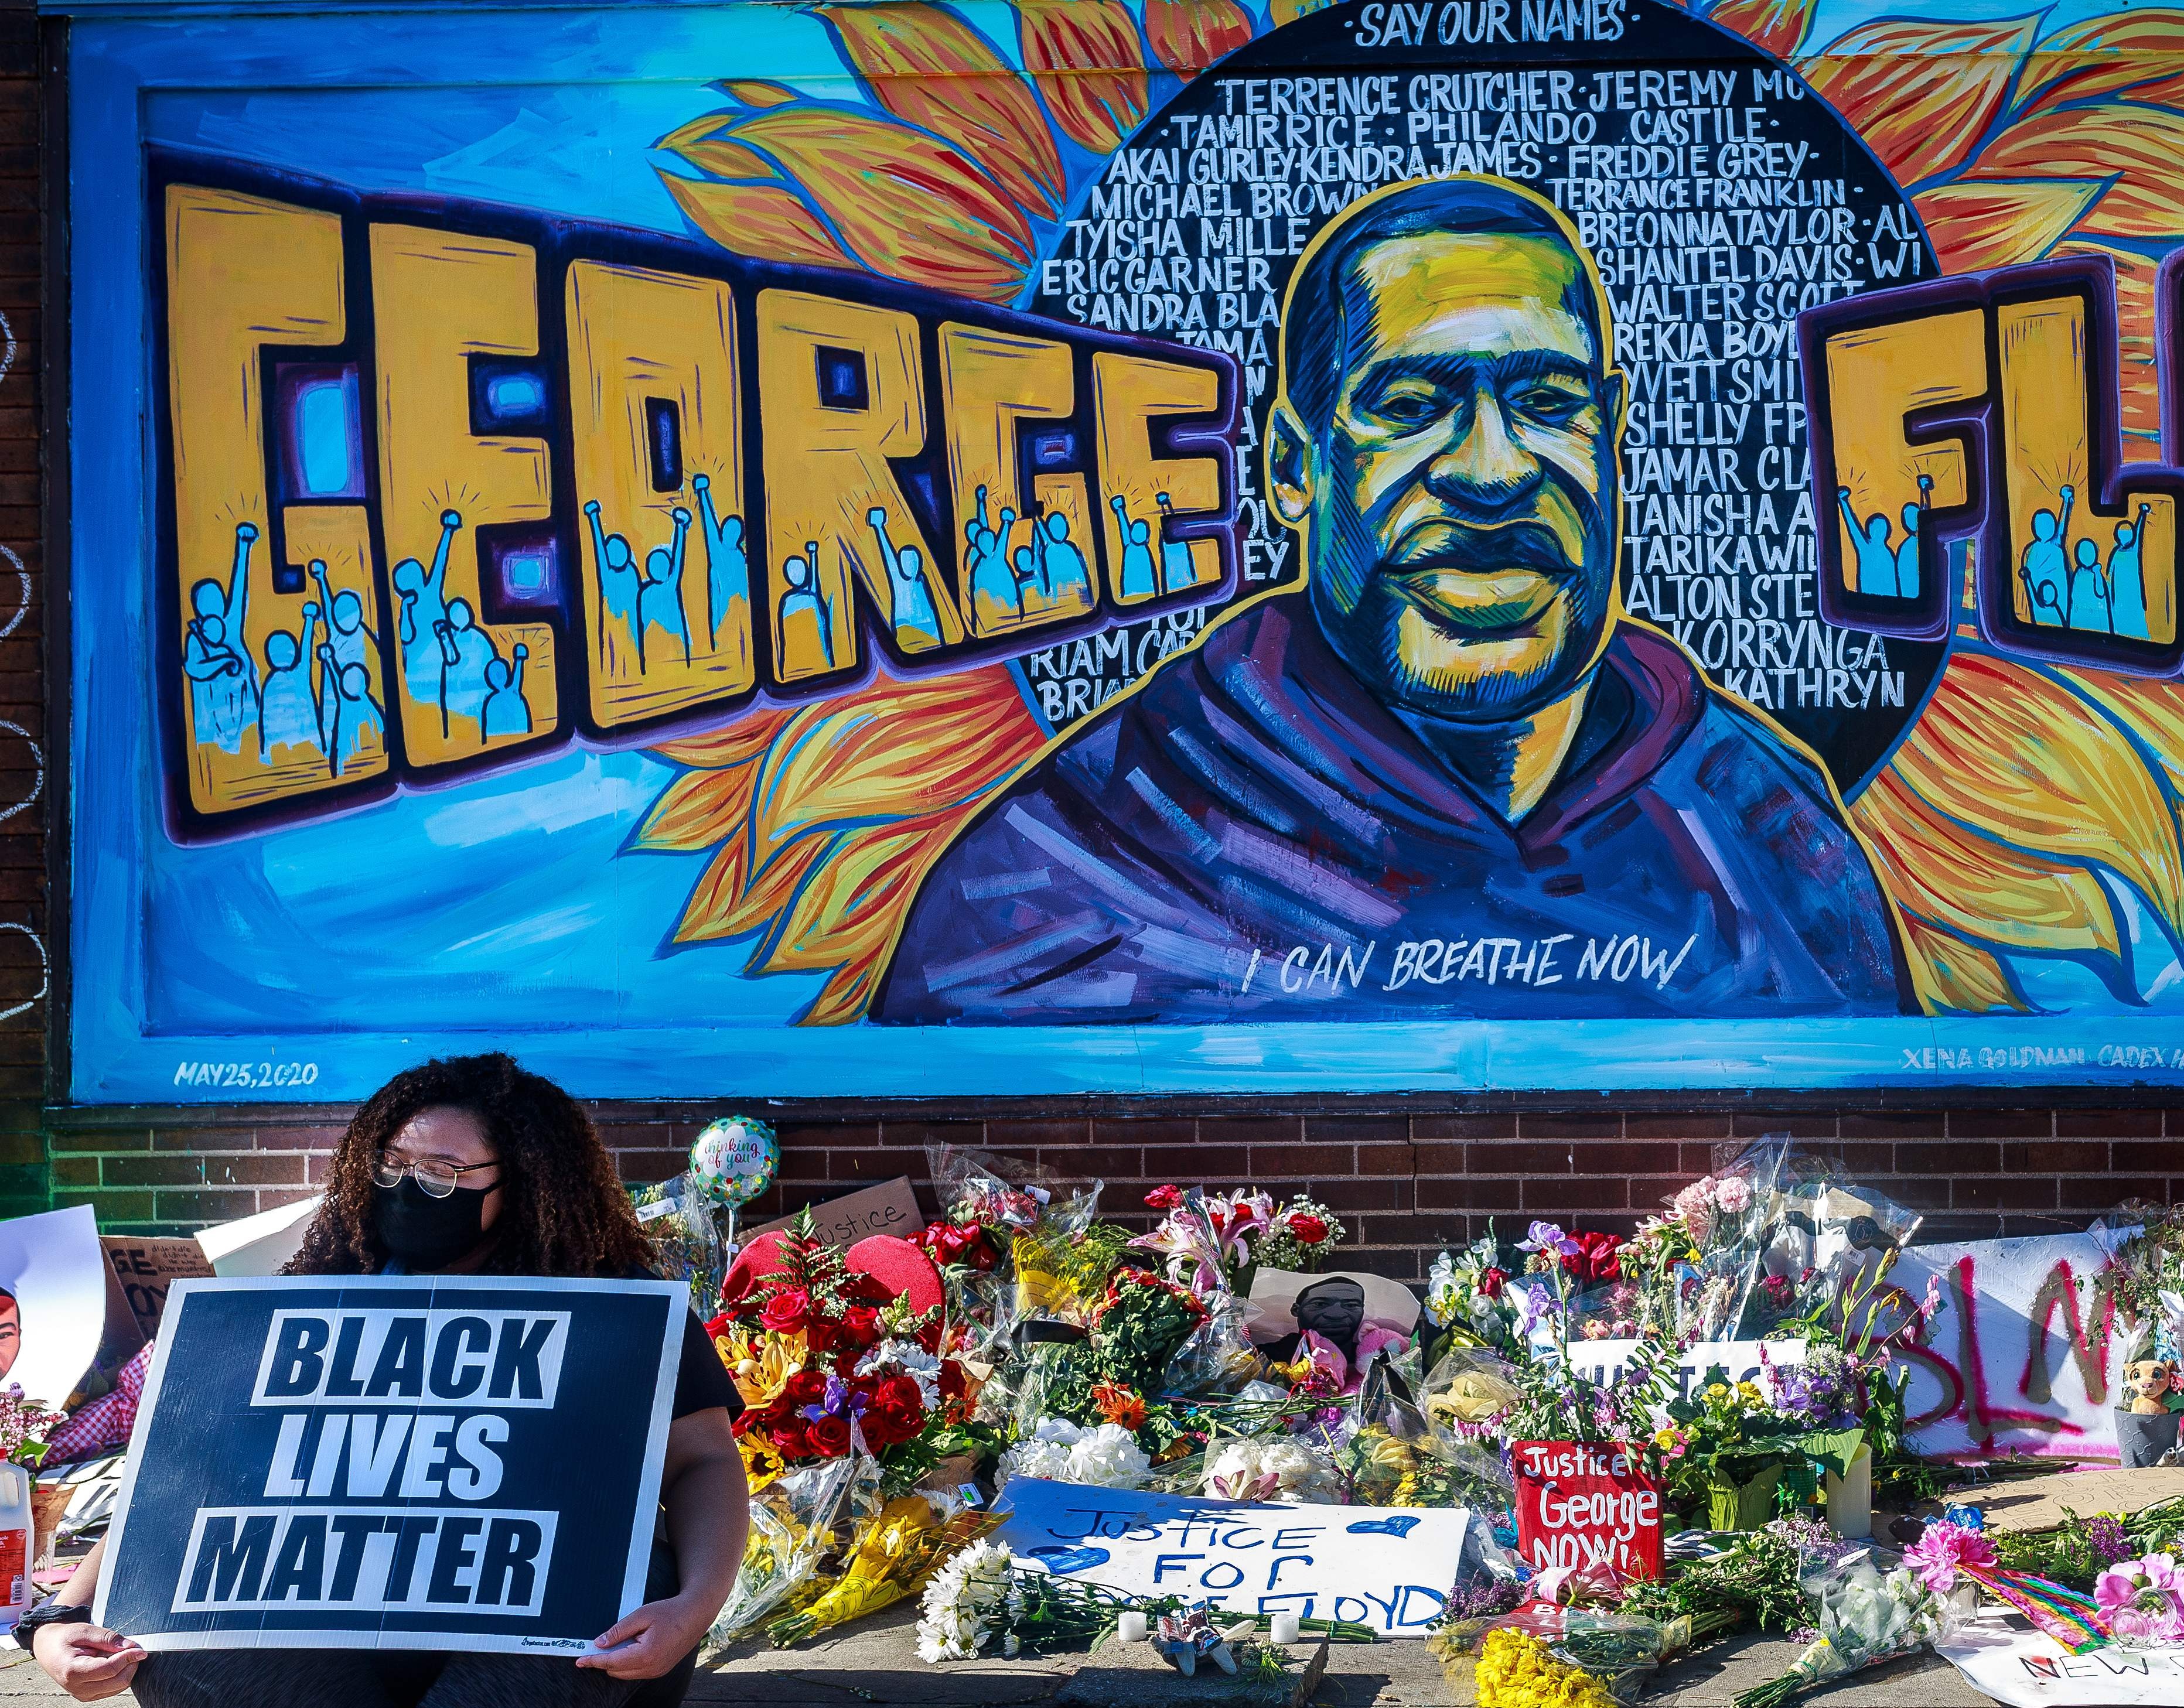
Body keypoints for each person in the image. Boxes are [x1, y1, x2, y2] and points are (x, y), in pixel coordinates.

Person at [873, 175, 1905, 1023]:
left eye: (1548, 402)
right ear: (1291, 465)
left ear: (1611, 429)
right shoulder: (1076, 863)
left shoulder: (1760, 830)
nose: (1494, 471)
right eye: (1410, 406)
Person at [22, 1054, 749, 1706]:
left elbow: (705, 1460)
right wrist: (59, 1622)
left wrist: (692, 1609)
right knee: (168, 1646)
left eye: (441, 1173)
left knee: (623, 1595)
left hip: (534, 1630)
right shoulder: (318, 1295)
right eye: (391, 1164)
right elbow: (188, 1485)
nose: (407, 1188)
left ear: (523, 1183)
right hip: (330, 1624)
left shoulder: (611, 1301)